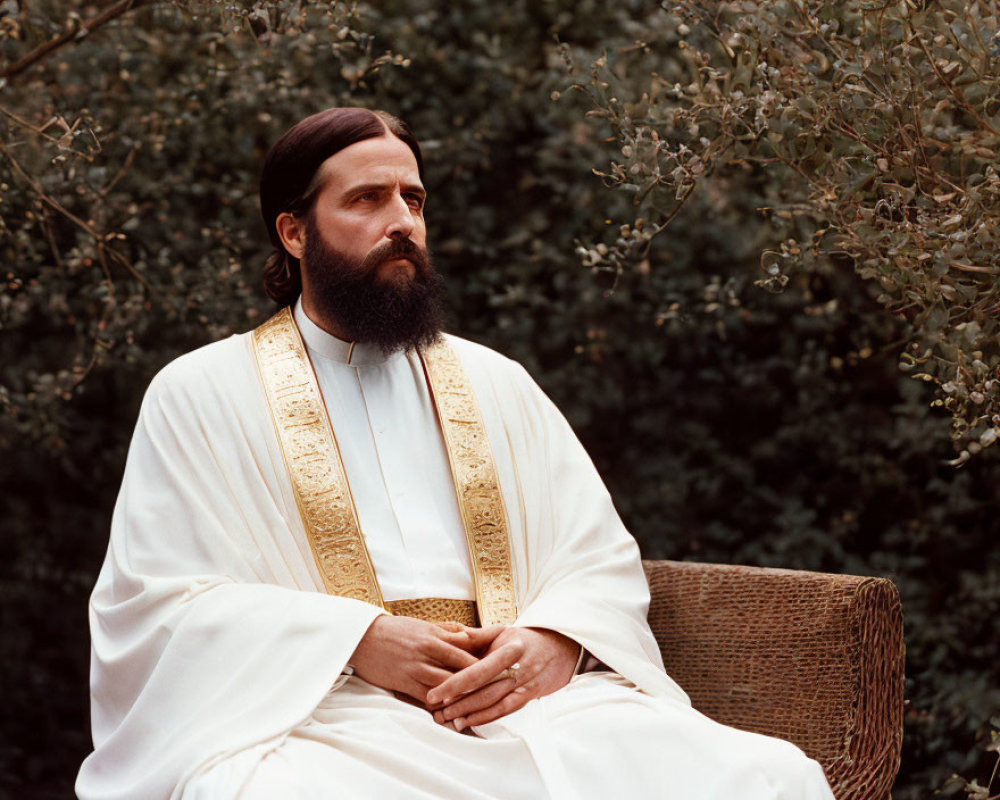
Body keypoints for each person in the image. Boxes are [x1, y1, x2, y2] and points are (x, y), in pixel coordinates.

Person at [77, 107, 836, 800]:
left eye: (413, 198)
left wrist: (557, 638)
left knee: (768, 777)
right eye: (367, 200)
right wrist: (356, 640)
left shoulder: (495, 383)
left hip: (527, 703)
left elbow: (595, 556)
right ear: (294, 232)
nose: (401, 221)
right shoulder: (201, 392)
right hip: (325, 714)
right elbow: (153, 602)